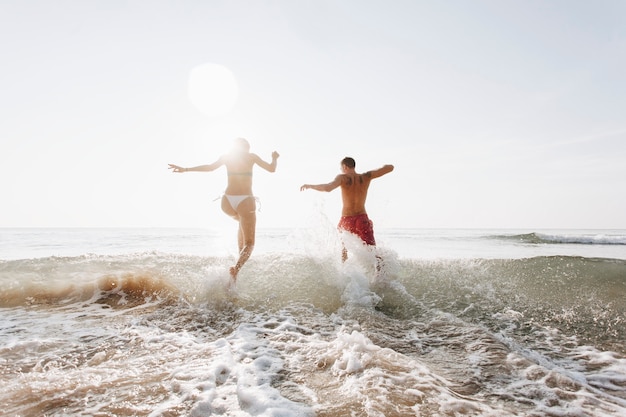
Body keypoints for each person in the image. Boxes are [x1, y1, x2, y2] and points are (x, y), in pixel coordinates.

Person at [169, 138, 279, 283]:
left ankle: (235, 274)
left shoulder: (227, 157)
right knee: (250, 243)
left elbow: (209, 167)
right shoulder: (252, 157)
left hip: (226, 201)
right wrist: (274, 158)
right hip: (245, 200)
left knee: (241, 223)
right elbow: (272, 169)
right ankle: (236, 269)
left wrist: (186, 169)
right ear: (247, 147)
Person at [300, 157, 394, 263]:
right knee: (372, 252)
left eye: (341, 168)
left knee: (343, 251)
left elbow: (327, 188)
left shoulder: (342, 178)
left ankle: (345, 276)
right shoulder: (366, 177)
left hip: (346, 221)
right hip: (361, 219)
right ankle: (381, 277)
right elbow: (390, 168)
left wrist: (310, 186)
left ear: (345, 167)